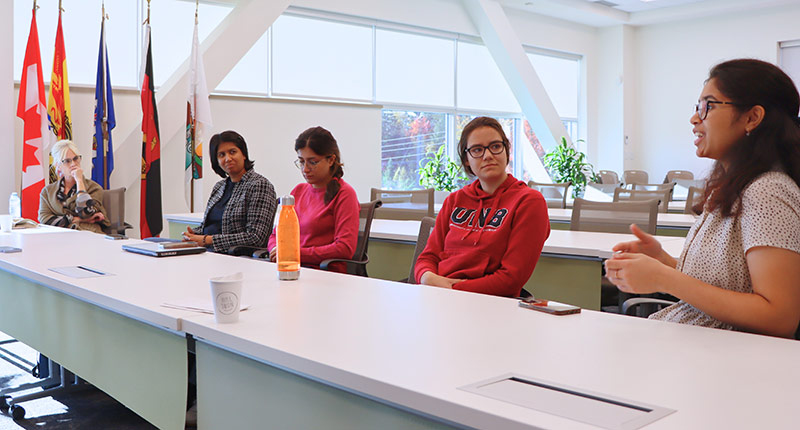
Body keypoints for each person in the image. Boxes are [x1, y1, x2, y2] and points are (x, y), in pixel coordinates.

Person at [605, 59, 800, 338]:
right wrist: (663, 261)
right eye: (697, 107)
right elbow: (728, 284)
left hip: (723, 360)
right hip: (697, 346)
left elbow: (779, 317)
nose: (695, 118)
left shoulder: (767, 191)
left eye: (708, 106)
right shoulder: (736, 186)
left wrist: (665, 278)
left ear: (752, 118)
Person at [414, 116, 550, 297]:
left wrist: (451, 290)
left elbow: (511, 279)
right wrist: (426, 278)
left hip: (490, 305)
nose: (487, 156)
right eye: (477, 149)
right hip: (440, 299)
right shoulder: (454, 201)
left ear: (506, 151)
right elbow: (427, 257)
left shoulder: (529, 202)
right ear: (467, 160)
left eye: (495, 146)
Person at [267, 126, 360, 273]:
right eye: (301, 162)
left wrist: (295, 254)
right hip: (293, 267)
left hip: (325, 274)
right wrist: (276, 249)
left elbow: (344, 248)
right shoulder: (298, 191)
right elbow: (276, 234)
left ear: (331, 160)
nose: (305, 169)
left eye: (313, 162)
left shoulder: (345, 194)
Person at [183, 130, 277, 253]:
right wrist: (193, 234)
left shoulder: (259, 185)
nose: (228, 158)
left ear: (244, 154)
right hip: (207, 252)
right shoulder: (219, 187)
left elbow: (256, 237)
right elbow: (213, 226)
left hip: (235, 257)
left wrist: (207, 240)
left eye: (232, 152)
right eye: (221, 155)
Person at [39, 140, 110, 234]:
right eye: (67, 161)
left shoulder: (94, 188)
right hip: (58, 236)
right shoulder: (47, 192)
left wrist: (79, 181)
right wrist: (78, 219)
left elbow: (86, 213)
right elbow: (45, 219)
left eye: (76, 159)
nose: (73, 164)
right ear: (58, 166)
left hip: (88, 234)